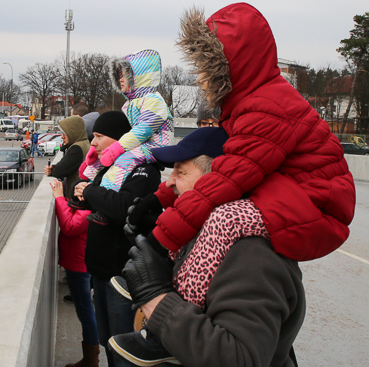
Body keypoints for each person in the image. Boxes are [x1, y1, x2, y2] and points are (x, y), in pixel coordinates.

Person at [128, 3, 355, 264]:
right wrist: (158, 199)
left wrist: (160, 240)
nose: (200, 79)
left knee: (224, 219)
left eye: (207, 69)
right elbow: (212, 168)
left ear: (230, 67)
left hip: (317, 208)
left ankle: (188, 294)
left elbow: (225, 180)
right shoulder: (245, 105)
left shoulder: (266, 109)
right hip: (293, 195)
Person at [108, 127, 305, 366]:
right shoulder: (208, 231)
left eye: (180, 172)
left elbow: (240, 358)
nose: (169, 182)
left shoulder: (252, 254)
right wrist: (153, 247)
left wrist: (155, 297)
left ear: (216, 181)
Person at [71, 110, 162, 367]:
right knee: (107, 339)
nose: (94, 143)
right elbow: (86, 196)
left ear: (120, 138)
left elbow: (123, 207)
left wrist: (89, 191)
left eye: (99, 136)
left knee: (123, 344)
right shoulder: (109, 167)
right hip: (100, 271)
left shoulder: (144, 169)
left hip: (123, 276)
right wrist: (81, 191)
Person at [77, 49, 173, 225]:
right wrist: (93, 155)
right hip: (139, 144)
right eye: (119, 75)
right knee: (102, 162)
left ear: (140, 77)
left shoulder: (154, 100)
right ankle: (87, 187)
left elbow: (142, 130)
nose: (121, 79)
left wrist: (117, 148)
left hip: (154, 145)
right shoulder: (129, 105)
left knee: (122, 163)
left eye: (125, 75)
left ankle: (103, 205)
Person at [50, 178, 100, 367]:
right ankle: (90, 357)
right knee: (84, 310)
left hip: (79, 267)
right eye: (78, 187)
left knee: (85, 312)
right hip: (76, 264)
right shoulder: (83, 206)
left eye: (84, 188)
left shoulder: (89, 211)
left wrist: (59, 199)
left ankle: (91, 359)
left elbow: (69, 227)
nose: (80, 190)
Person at [44, 116, 90, 198]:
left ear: (73, 132)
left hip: (76, 197)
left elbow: (59, 170)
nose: (62, 136)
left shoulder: (77, 148)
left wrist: (52, 170)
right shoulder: (85, 143)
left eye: (65, 133)